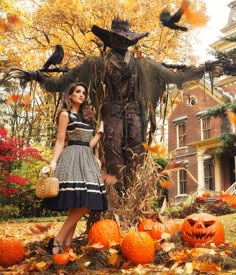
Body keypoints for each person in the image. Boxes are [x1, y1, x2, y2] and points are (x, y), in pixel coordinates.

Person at [42, 82, 108, 254]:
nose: (81, 95)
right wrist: (53, 162)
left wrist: (100, 133)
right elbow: (60, 140)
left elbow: (88, 144)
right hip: (71, 158)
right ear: (70, 95)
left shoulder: (86, 117)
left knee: (81, 202)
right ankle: (59, 241)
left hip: (86, 159)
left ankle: (64, 245)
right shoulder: (65, 115)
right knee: (80, 201)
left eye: (83, 93)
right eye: (77, 92)